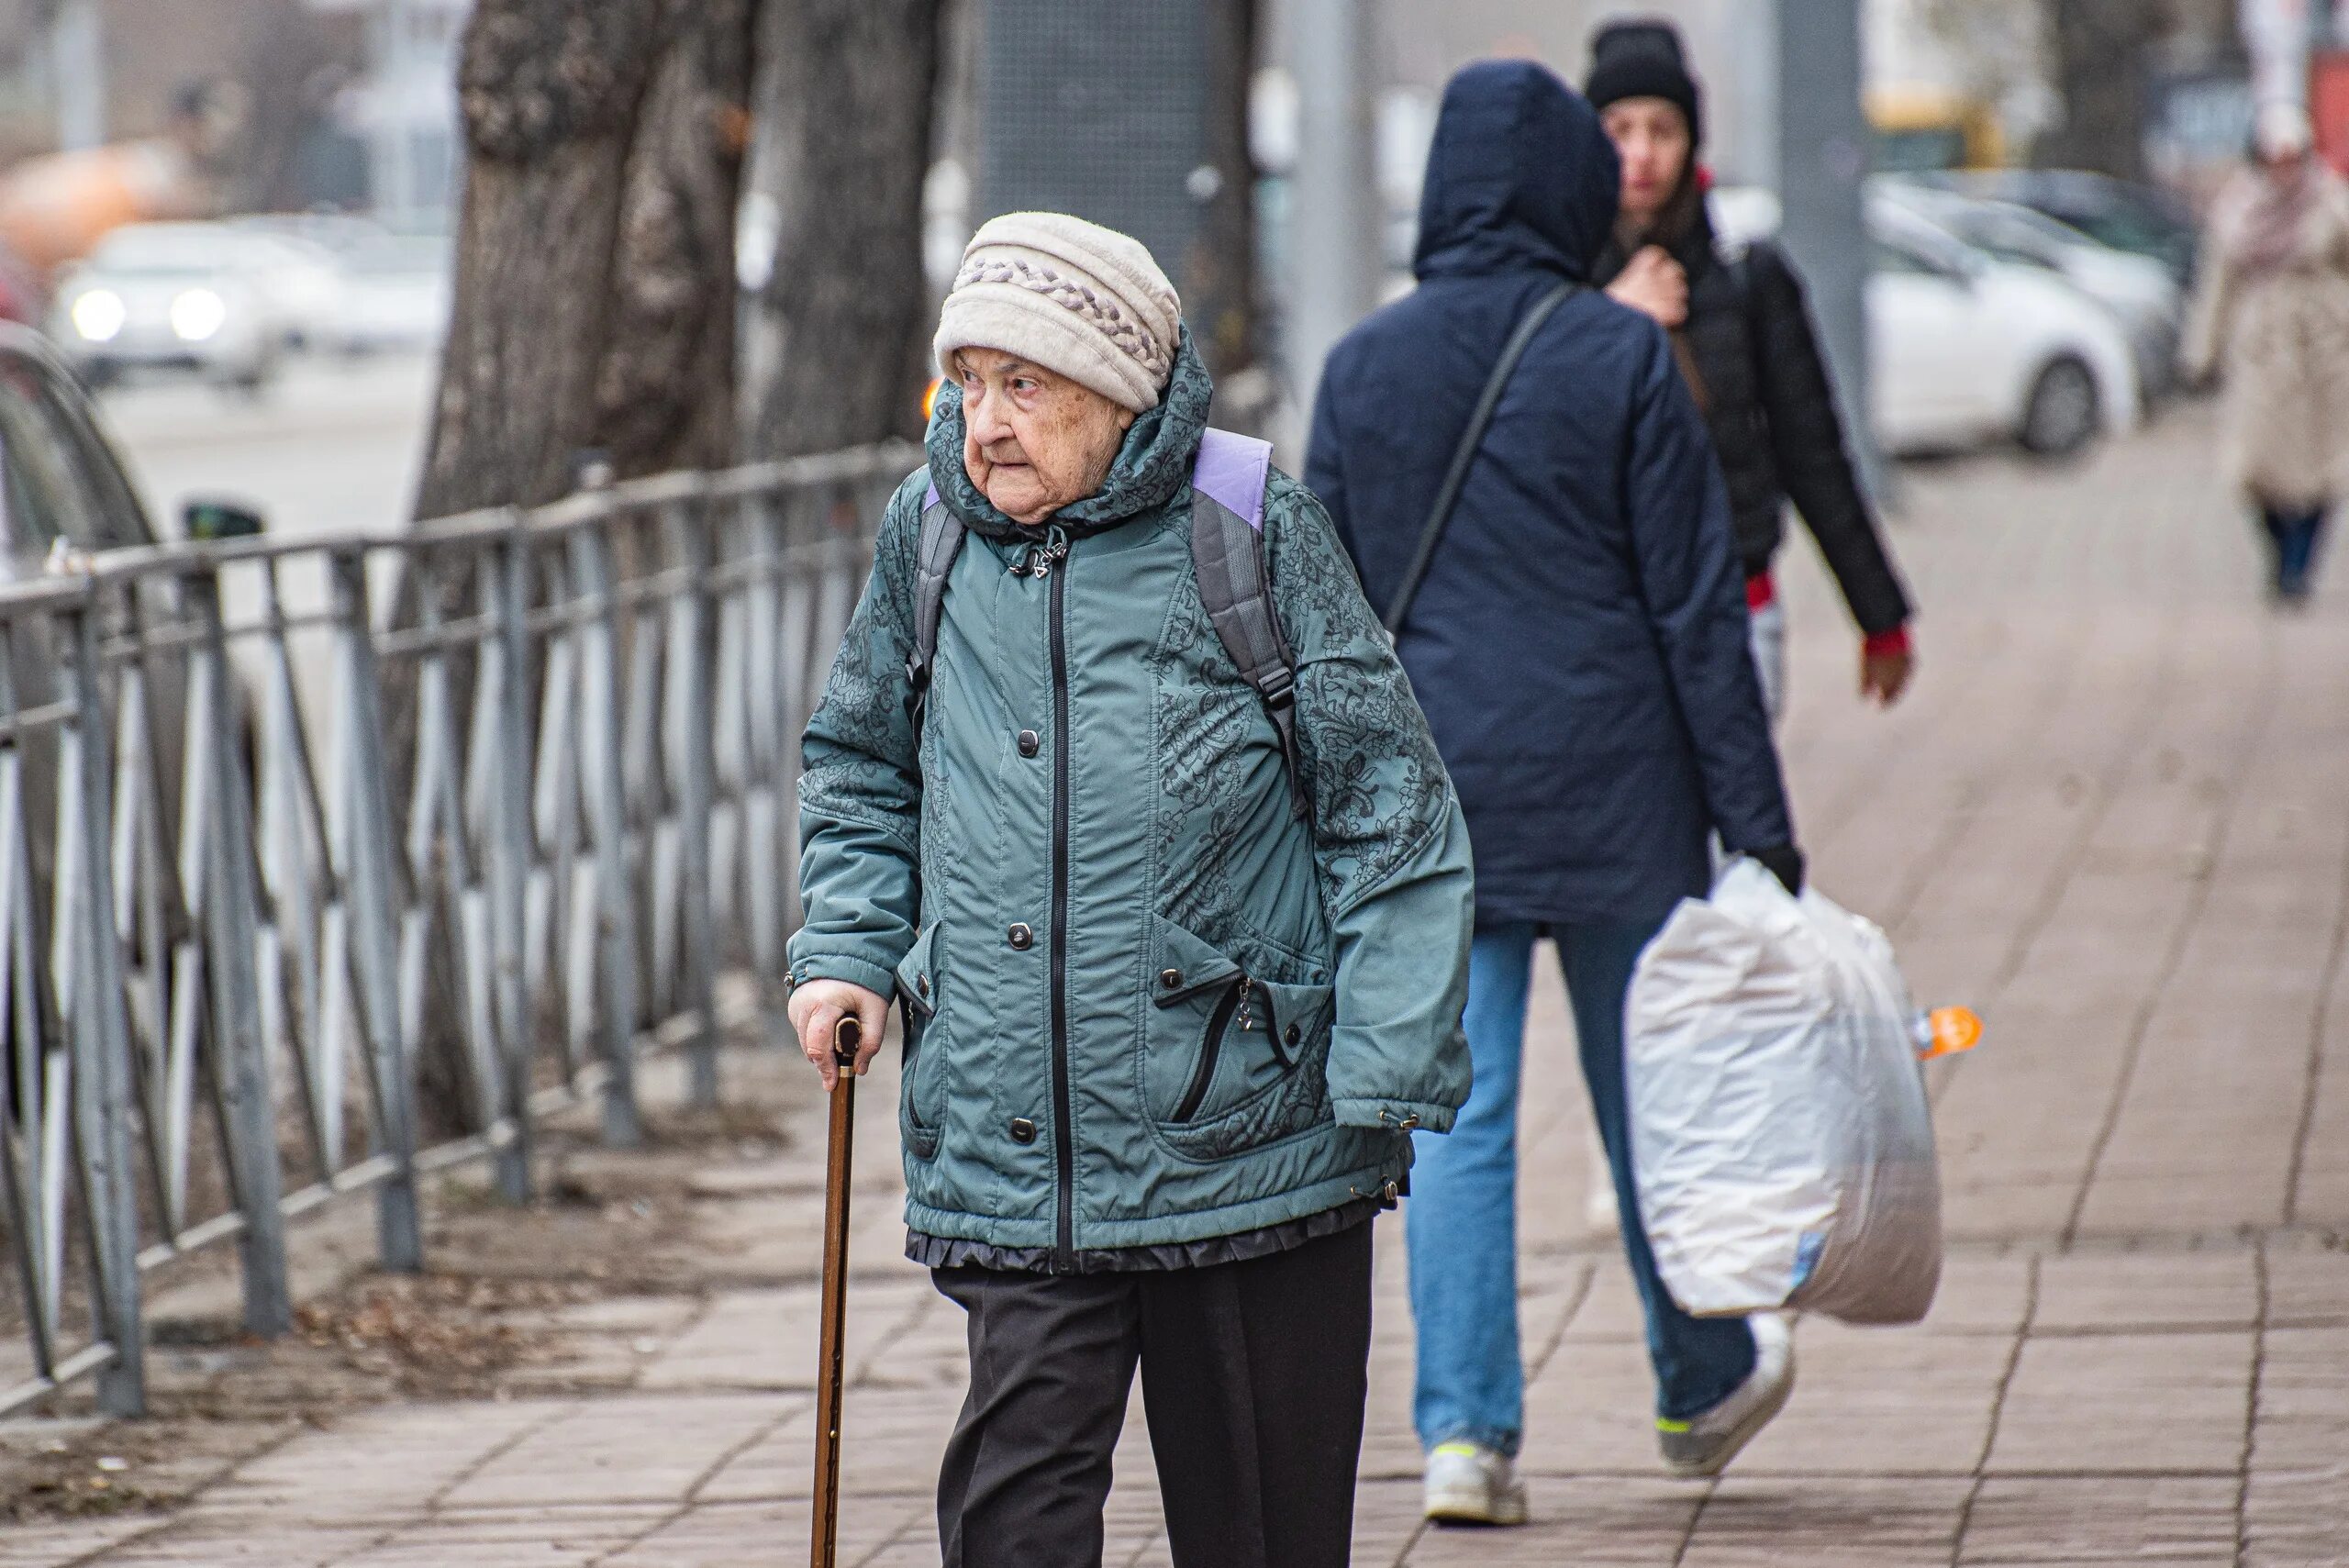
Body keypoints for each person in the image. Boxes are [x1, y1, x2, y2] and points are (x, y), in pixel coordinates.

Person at [786, 211, 1475, 1568]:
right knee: (1014, 1525)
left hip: (1245, 1138)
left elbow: (1387, 802)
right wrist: (845, 950)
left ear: (1119, 391)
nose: (985, 422)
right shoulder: (927, 538)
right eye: (968, 382)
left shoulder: (1247, 520)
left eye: (1023, 384)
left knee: (1265, 1534)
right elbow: (862, 766)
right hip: (1018, 1137)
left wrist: (1388, 1067)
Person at [1307, 61, 1803, 1528]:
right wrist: (1760, 829)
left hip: (1435, 801)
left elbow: (1320, 616)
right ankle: (1698, 1377)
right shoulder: (1621, 356)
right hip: (1620, 796)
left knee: (1456, 1120)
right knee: (1648, 1092)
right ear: (1574, 189)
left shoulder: (1366, 367)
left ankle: (1464, 1436)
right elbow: (1697, 616)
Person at [1587, 20, 1915, 720]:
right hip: (1602, 628)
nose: (1641, 154)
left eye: (1662, 130)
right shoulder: (1557, 280)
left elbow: (1813, 451)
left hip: (1737, 612)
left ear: (1693, 141)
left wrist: (1878, 613)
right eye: (1619, 130)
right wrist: (1607, 322)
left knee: (1736, 830)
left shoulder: (1747, 275)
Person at [2182, 100, 2349, 605]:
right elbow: (2217, 286)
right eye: (2274, 159)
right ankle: (2279, 552)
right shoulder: (2238, 210)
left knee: (2323, 468)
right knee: (2254, 470)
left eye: (2291, 158)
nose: (2284, 170)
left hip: (2323, 350)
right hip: (2262, 351)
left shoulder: (2332, 204)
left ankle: (2299, 567)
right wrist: (2201, 352)